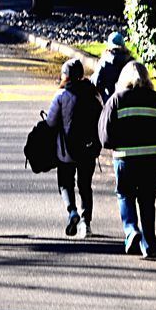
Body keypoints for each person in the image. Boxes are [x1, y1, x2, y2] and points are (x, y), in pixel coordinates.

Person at [99, 61, 156, 258]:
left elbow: (105, 135)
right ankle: (149, 242)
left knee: (125, 194)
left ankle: (131, 230)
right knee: (147, 199)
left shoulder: (116, 100)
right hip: (152, 158)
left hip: (125, 159)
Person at [45, 57, 102, 238]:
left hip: (66, 151)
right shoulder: (93, 93)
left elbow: (50, 122)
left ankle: (72, 212)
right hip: (88, 148)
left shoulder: (61, 96)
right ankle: (86, 224)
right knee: (85, 185)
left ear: (66, 76)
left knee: (65, 183)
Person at [92, 31, 133, 101]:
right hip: (128, 99)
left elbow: (95, 82)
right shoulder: (130, 61)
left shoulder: (104, 62)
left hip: (110, 100)